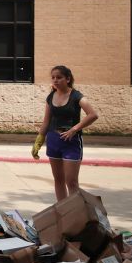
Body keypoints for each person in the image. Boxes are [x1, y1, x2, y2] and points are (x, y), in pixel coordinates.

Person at [32, 65, 99, 202]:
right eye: (53, 78)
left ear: (67, 79)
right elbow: (46, 122)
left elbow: (93, 115)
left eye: (59, 77)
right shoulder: (51, 97)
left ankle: (76, 214)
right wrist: (39, 141)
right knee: (58, 180)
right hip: (53, 141)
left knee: (72, 182)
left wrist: (74, 129)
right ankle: (63, 212)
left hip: (71, 143)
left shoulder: (76, 96)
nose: (55, 80)